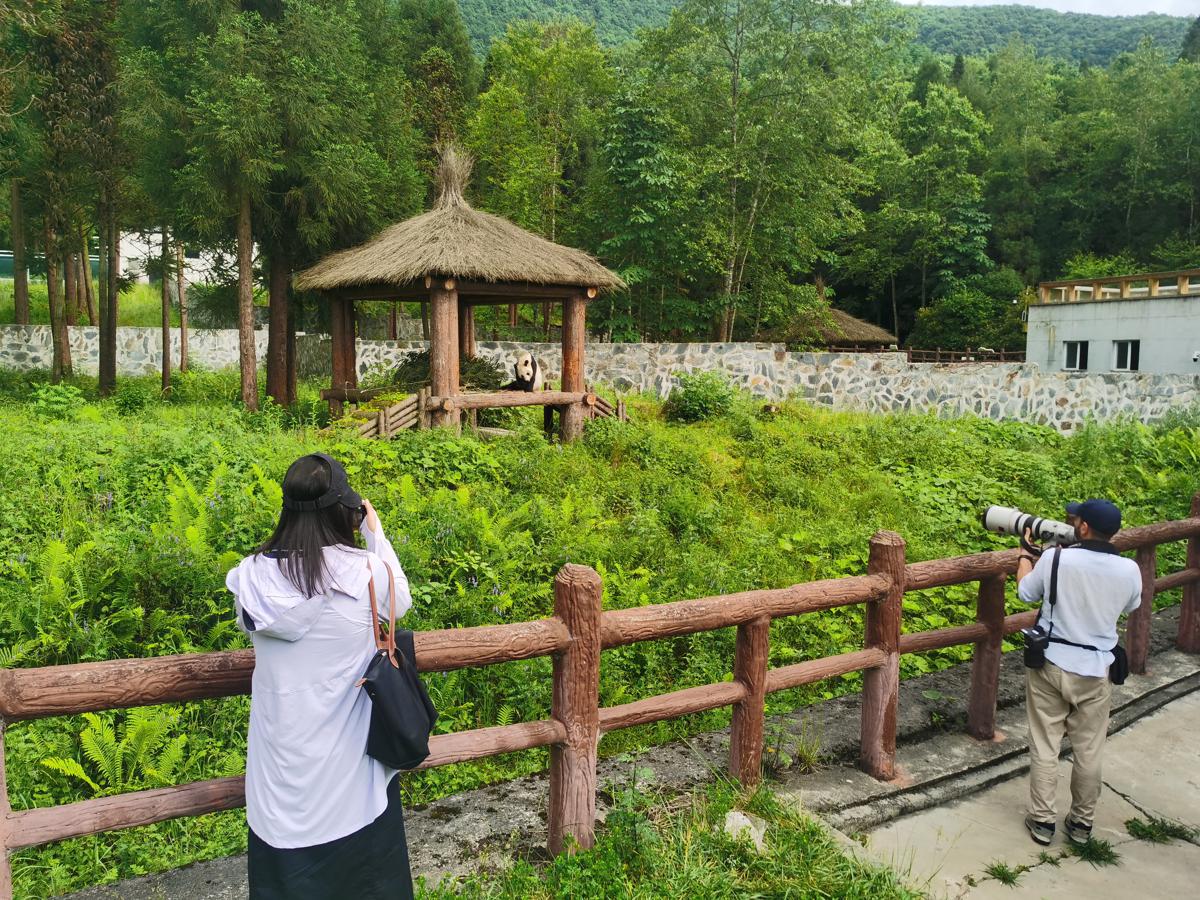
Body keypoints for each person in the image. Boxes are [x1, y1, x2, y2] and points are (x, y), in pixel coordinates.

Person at [226, 453, 415, 899]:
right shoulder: (367, 573)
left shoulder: (251, 578)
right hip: (353, 782)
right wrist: (375, 535)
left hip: (280, 786)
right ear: (341, 511)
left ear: (286, 511)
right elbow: (400, 599)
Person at [1015, 498, 1141, 848]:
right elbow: (1132, 604)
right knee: (1089, 750)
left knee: (1045, 743)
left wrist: (1026, 555)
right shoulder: (1129, 570)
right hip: (1097, 669)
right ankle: (1081, 823)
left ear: (1083, 527)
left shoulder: (1056, 559)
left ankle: (1042, 821)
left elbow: (1026, 592)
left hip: (1052, 662)